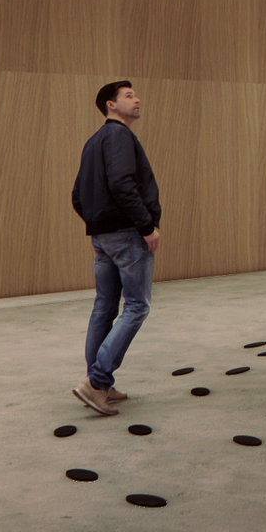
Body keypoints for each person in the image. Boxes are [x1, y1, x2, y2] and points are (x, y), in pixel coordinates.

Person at [70, 79, 161, 418]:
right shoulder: (120, 136)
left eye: (135, 94)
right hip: (126, 234)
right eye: (128, 96)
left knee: (104, 306)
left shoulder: (94, 141)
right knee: (137, 306)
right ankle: (96, 382)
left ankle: (100, 384)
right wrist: (146, 226)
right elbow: (123, 184)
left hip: (103, 236)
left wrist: (97, 223)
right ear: (110, 105)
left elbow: (78, 195)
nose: (137, 100)